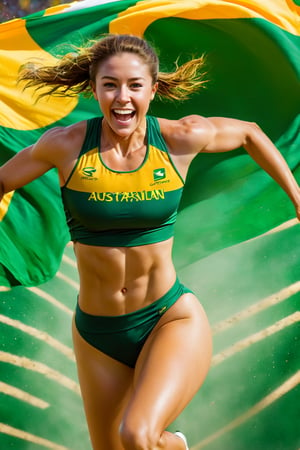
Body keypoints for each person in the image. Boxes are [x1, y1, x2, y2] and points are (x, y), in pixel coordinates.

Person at [1, 34, 299, 450]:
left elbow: (250, 133)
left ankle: (176, 444)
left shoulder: (180, 138)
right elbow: (2, 180)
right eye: (110, 85)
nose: (122, 98)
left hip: (169, 319)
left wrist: (298, 199)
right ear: (94, 88)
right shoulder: (65, 146)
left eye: (135, 85)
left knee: (139, 435)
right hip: (96, 334)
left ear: (153, 89)